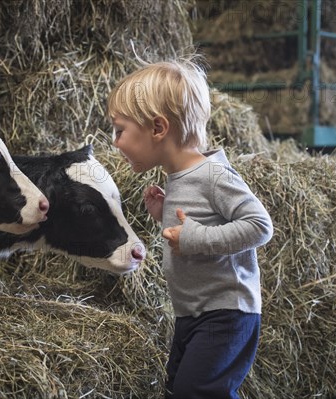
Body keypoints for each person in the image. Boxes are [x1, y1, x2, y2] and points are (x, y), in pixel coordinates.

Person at [107, 58, 273, 399]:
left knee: (194, 391)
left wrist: (197, 238)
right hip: (192, 313)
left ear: (157, 129)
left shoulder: (213, 174)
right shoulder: (180, 178)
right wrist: (165, 212)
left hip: (227, 313)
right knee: (182, 390)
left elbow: (259, 226)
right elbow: (196, 222)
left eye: (119, 130)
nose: (115, 142)